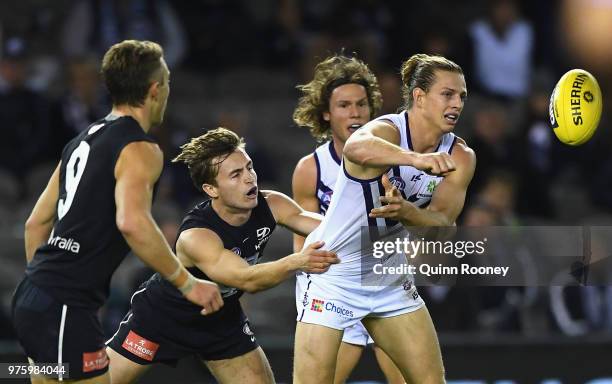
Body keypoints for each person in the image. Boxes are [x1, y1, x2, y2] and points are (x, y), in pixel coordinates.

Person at [11, 40, 223, 384]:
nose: (168, 91)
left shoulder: (81, 139)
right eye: (167, 82)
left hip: (35, 297)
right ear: (155, 89)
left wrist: (46, 289)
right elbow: (132, 222)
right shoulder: (140, 147)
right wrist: (187, 284)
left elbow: (36, 222)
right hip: (65, 304)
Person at [293, 53, 476, 383]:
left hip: (388, 278)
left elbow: (443, 226)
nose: (457, 103)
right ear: (419, 98)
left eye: (462, 95)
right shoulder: (387, 130)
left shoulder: (460, 155)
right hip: (335, 277)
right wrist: (415, 159)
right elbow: (354, 149)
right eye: (447, 94)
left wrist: (409, 213)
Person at [106, 127, 339, 384]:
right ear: (211, 189)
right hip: (163, 318)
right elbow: (247, 279)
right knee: (97, 382)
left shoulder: (271, 204)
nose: (250, 179)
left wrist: (379, 217)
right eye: (236, 175)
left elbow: (328, 226)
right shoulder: (197, 236)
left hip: (221, 321)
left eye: (249, 168)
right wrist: (298, 260)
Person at [292, 54, 404, 384]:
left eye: (360, 104)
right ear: (326, 113)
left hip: (384, 280)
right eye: (343, 105)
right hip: (337, 287)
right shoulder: (310, 169)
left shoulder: (394, 156)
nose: (354, 112)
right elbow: (304, 243)